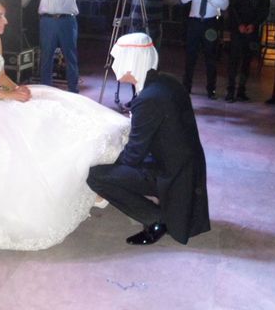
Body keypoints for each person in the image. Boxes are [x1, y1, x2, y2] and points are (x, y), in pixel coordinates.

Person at [0, 0, 130, 250]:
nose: (5, 21)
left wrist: (17, 89)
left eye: (4, 15)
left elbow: (0, 74)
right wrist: (8, 95)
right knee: (26, 128)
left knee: (48, 106)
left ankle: (79, 183)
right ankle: (54, 193)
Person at [87, 33, 210, 245]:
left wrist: (107, 165)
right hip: (187, 167)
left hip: (173, 174)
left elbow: (133, 156)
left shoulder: (148, 99)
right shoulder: (166, 82)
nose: (114, 64)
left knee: (96, 176)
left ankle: (155, 219)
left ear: (132, 61)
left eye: (118, 59)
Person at [32, 0, 82, 93]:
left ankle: (73, 91)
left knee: (70, 57)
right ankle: (46, 90)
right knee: (46, 57)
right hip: (48, 21)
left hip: (67, 21)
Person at [181, 0, 229, 99]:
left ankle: (211, 89)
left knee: (211, 58)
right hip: (194, 23)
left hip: (210, 24)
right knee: (190, 56)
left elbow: (224, 5)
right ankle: (186, 87)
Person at [227, 0, 271, 102]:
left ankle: (241, 90)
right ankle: (230, 91)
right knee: (233, 60)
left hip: (253, 30)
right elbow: (232, 5)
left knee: (247, 61)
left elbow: (264, 9)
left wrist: (254, 24)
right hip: (238, 28)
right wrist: (239, 24)